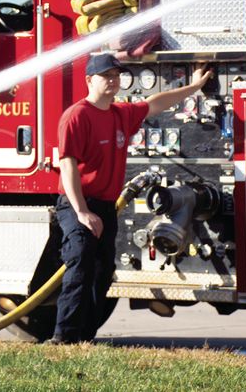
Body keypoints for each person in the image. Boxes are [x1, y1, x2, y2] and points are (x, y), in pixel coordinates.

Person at [51, 53, 212, 344]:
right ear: (89, 80)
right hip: (78, 203)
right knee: (80, 263)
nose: (113, 81)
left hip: (105, 206)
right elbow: (68, 165)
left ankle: (85, 337)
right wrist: (82, 212)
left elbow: (158, 102)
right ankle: (63, 338)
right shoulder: (77, 115)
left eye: (116, 76)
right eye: (106, 76)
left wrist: (195, 85)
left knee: (103, 273)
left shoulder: (120, 114)